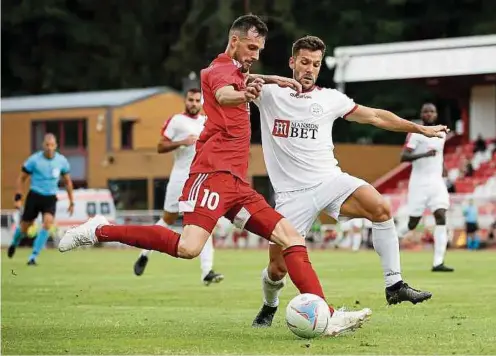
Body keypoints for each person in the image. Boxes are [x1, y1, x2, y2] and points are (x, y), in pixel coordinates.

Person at [58, 15, 369, 336]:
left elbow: (241, 77)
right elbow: (223, 94)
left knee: (291, 238)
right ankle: (99, 231)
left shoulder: (236, 70)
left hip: (236, 183)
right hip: (211, 174)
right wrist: (245, 94)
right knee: (188, 248)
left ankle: (329, 316)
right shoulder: (219, 71)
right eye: (250, 47)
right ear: (234, 41)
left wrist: (271, 79)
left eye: (259, 49)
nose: (254, 55)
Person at [249, 35, 437, 327]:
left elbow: (374, 116)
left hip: (329, 180)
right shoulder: (270, 93)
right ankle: (269, 304)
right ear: (292, 63)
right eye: (304, 62)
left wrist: (418, 129)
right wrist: (268, 78)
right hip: (290, 196)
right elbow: (223, 75)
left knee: (381, 209)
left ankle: (394, 286)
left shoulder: (331, 99)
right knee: (276, 269)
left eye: (315, 64)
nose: (310, 69)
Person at [132, 88, 224, 285]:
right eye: (190, 100)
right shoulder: (176, 121)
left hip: (200, 180)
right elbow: (160, 146)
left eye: (197, 100)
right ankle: (144, 253)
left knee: (206, 222)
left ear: (201, 102)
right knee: (167, 219)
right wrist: (183, 141)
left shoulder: (206, 121)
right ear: (185, 101)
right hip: (179, 179)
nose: (193, 103)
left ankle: (207, 270)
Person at [398, 103, 454, 272]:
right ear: (421, 114)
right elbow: (403, 157)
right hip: (419, 183)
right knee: (413, 223)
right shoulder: (416, 133)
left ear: (436, 114)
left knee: (441, 216)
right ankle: (394, 236)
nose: (429, 114)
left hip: (437, 182)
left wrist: (443, 167)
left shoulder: (441, 133)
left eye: (432, 111)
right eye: (426, 111)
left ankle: (438, 262)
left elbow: (440, 153)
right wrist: (424, 154)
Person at [8, 133, 74, 265]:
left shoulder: (61, 161)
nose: (49, 148)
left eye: (52, 145)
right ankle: (14, 243)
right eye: (47, 145)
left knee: (47, 223)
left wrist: (71, 201)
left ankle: (33, 256)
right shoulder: (34, 160)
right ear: (43, 145)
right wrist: (18, 198)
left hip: (50, 198)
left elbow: (67, 182)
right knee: (25, 228)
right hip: (35, 196)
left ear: (56, 146)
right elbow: (21, 178)